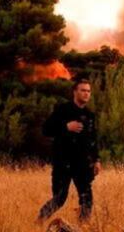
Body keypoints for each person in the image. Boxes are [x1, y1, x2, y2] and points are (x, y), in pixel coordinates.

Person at [37, 79, 102, 223]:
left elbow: (93, 139)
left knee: (87, 199)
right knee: (60, 197)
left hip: (83, 164)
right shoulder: (63, 110)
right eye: (83, 90)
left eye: (88, 91)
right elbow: (46, 130)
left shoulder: (90, 115)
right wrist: (66, 127)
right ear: (75, 92)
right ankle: (39, 222)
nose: (86, 93)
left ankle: (82, 227)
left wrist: (97, 160)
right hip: (63, 162)